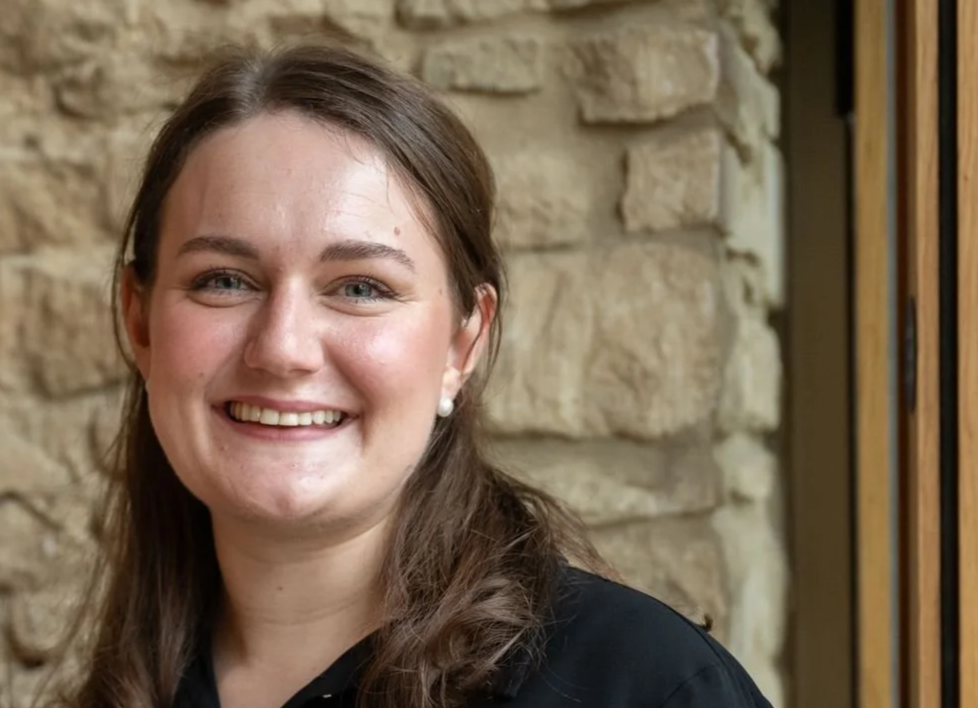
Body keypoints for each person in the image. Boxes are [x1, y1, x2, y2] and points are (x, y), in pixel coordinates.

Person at [56, 44, 773, 708]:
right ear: (140, 321)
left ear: (464, 344)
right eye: (223, 280)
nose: (282, 348)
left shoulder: (645, 687)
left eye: (361, 286)